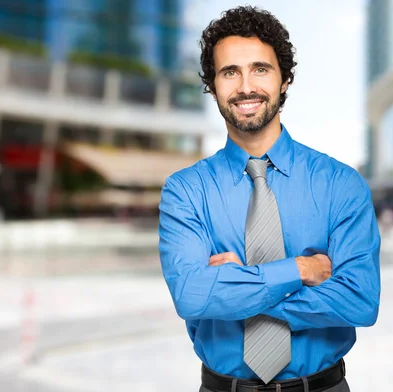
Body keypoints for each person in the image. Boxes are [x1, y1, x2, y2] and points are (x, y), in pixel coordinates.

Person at [159, 6, 380, 392]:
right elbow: (192, 296)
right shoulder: (185, 191)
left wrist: (236, 290)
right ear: (212, 85)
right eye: (230, 72)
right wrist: (300, 269)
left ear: (284, 80)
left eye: (260, 69)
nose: (246, 86)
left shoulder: (340, 184)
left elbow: (359, 301)